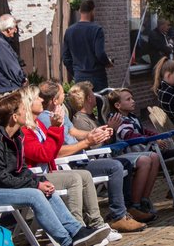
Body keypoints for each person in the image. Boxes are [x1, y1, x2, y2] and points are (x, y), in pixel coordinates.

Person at [0, 92, 109, 246]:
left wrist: (41, 181)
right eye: (24, 110)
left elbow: (21, 168)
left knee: (46, 189)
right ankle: (67, 242)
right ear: (14, 117)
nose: (27, 113)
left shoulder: (16, 137)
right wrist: (36, 185)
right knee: (35, 194)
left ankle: (77, 231)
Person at [16, 86, 133, 237]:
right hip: (37, 176)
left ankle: (97, 224)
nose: (41, 100)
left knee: (84, 175)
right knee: (74, 178)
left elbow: (56, 145)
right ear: (29, 102)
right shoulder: (25, 130)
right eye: (38, 98)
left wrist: (90, 135)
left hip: (49, 171)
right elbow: (45, 154)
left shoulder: (38, 125)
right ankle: (78, 228)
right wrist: (56, 129)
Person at [104, 89, 174, 210]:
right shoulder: (118, 120)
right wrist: (154, 139)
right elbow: (129, 136)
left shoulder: (132, 117)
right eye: (128, 99)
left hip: (148, 150)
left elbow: (144, 131)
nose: (133, 101)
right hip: (138, 154)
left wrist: (156, 136)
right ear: (117, 105)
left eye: (132, 98)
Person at [62, 0, 113, 92]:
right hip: (97, 76)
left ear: (80, 11)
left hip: (79, 76)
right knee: (101, 103)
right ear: (92, 11)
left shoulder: (69, 31)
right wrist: (107, 63)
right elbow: (100, 53)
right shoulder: (97, 29)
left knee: (83, 104)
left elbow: (66, 58)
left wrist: (76, 72)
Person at [0, 15, 26, 99]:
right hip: (5, 90)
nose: (15, 31)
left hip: (4, 88)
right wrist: (22, 79)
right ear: (8, 29)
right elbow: (10, 66)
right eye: (14, 28)